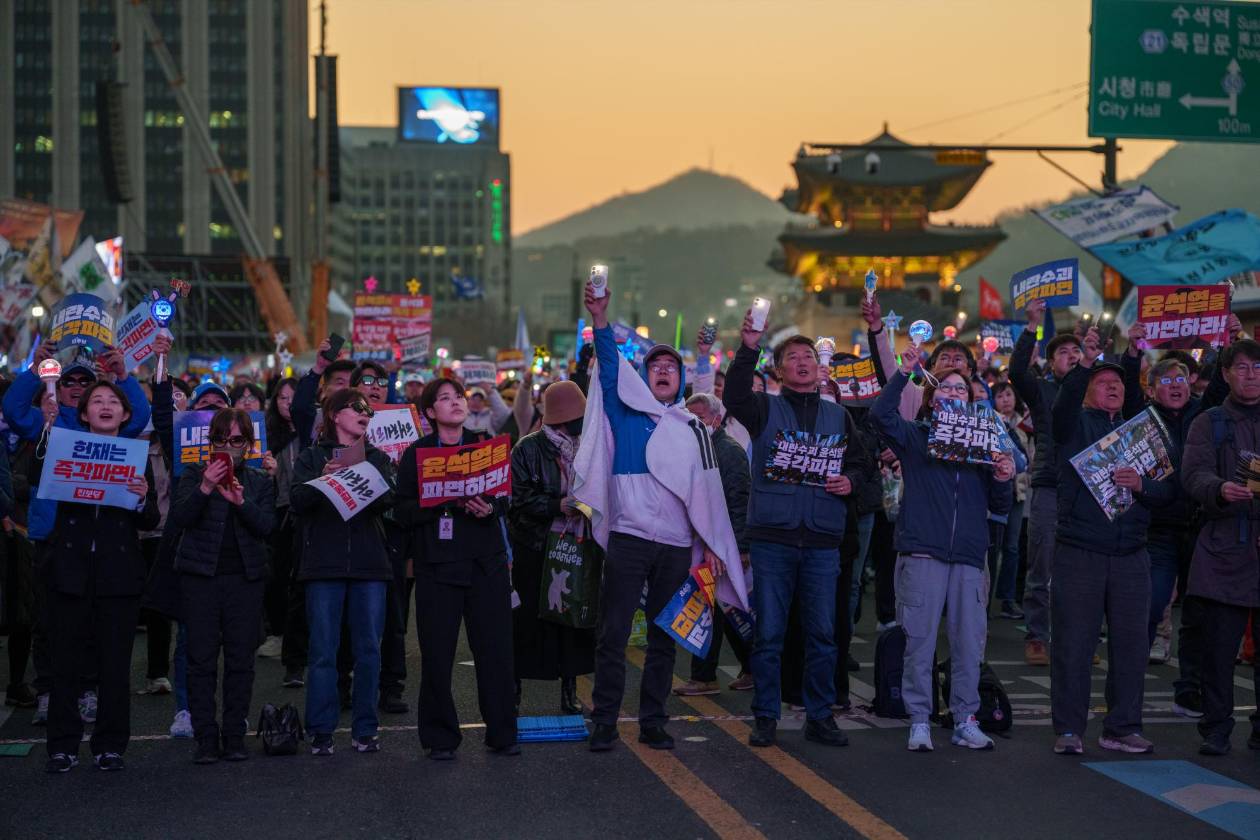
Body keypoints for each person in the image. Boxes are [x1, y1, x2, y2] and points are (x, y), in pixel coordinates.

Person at [577, 280, 747, 754]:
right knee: (613, 635)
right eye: (657, 366)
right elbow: (609, 367)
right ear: (644, 377)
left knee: (663, 638)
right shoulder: (624, 414)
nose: (666, 370)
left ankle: (653, 721)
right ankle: (606, 721)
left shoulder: (693, 428)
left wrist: (711, 542)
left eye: (673, 366)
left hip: (674, 546)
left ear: (679, 380)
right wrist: (600, 318)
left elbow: (707, 495)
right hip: (630, 539)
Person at [723, 317, 864, 749]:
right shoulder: (763, 408)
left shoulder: (839, 415)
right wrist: (748, 347)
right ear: (779, 370)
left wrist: (850, 482)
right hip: (773, 538)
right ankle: (766, 715)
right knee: (769, 634)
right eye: (791, 358)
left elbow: (861, 465)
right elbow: (732, 395)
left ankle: (819, 716)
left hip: (822, 540)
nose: (801, 363)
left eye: (808, 357)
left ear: (819, 369)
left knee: (823, 635)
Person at [871, 354, 1014, 752]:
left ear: (970, 400)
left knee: (970, 642)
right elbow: (881, 415)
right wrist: (904, 373)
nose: (954, 393)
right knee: (919, 640)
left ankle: (965, 717)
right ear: (933, 400)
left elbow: (1000, 505)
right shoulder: (916, 437)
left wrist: (1002, 476)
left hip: (969, 553)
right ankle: (919, 718)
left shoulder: (984, 439)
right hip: (923, 552)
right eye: (947, 387)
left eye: (962, 389)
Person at [1049, 330, 1173, 756]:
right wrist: (1085, 360)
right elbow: (1062, 406)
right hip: (1080, 550)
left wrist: (1143, 486)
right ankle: (1068, 729)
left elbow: (1167, 493)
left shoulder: (1143, 432)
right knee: (1074, 643)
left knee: (1132, 645)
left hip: (1132, 553)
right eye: (1103, 382)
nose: (1113, 387)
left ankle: (1121, 726)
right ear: (1085, 390)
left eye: (1119, 383)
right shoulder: (1072, 424)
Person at [395, 378, 519, 759]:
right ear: (430, 412)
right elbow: (401, 512)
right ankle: (440, 738)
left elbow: (506, 498)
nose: (455, 403)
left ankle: (502, 733)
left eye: (459, 397)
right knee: (436, 654)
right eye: (444, 399)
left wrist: (491, 508)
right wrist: (441, 500)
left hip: (486, 562)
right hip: (438, 565)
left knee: (495, 651)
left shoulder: (486, 444)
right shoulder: (417, 453)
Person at [44, 382, 158, 773]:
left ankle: (110, 744)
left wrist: (142, 497)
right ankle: (62, 744)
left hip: (118, 575)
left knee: (114, 665)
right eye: (97, 401)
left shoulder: (136, 457)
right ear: (84, 413)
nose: (105, 406)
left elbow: (151, 519)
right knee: (66, 664)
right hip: (70, 571)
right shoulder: (63, 448)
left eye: (113, 402)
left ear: (125, 415)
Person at [290, 388, 396, 756]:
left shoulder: (378, 458)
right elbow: (297, 502)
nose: (366, 412)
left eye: (369, 409)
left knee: (369, 649)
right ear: (335, 415)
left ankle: (365, 729)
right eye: (357, 407)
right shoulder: (310, 457)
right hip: (323, 564)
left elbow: (388, 502)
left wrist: (360, 477)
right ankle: (321, 730)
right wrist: (323, 480)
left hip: (370, 564)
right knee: (323, 651)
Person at [172, 408, 275, 764]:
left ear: (248, 444)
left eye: (235, 440)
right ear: (209, 443)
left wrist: (241, 502)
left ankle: (234, 736)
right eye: (219, 440)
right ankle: (205, 737)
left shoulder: (259, 481)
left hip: (245, 580)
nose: (227, 447)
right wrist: (205, 487)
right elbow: (180, 519)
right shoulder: (192, 474)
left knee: (240, 660)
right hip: (200, 579)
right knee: (200, 660)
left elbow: (267, 527)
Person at [1179, 338, 1260, 756]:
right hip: (1223, 547)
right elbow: (1192, 475)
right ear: (1226, 374)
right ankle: (1216, 728)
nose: (1251, 375)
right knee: (1218, 652)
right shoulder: (1208, 421)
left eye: (1257, 368)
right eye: (1242, 368)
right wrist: (1220, 489)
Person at [508, 380, 596, 714]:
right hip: (536, 546)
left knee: (572, 620)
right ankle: (514, 689)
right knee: (527, 621)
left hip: (578, 545)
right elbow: (517, 498)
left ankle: (570, 689)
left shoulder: (589, 446)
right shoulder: (527, 449)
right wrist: (557, 505)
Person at [1011, 300, 1084, 666]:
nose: (1071, 356)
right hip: (1049, 485)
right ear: (1052, 361)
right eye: (1064, 352)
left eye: (1077, 351)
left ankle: (1075, 638)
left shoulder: (1095, 390)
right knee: (1041, 565)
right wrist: (1032, 328)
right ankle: (1037, 636)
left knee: (1080, 569)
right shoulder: (1041, 390)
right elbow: (1015, 373)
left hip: (1088, 491)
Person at [674, 392, 753, 695]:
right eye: (689, 420)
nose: (694, 425)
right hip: (704, 544)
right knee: (724, 608)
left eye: (701, 419)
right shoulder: (694, 450)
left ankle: (704, 676)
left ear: (717, 420)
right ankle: (749, 667)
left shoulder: (728, 451)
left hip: (723, 546)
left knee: (711, 608)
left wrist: (741, 548)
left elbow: (740, 502)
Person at [990, 381, 1032, 620]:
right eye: (999, 396)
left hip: (1018, 492)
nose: (1005, 400)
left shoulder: (1025, 426)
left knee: (1013, 547)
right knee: (993, 548)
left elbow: (1029, 459)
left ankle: (1008, 598)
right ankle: (986, 597)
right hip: (996, 492)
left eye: (1008, 395)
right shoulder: (989, 420)